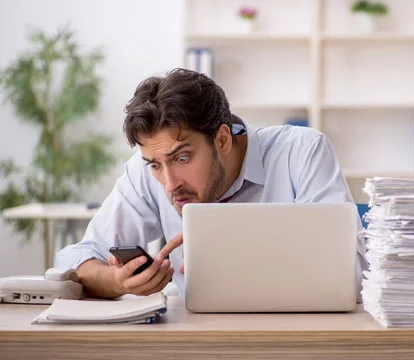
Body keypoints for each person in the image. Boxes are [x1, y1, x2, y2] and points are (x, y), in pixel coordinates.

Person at [56, 68, 367, 300]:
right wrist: (117, 281)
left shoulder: (301, 152)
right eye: (155, 164)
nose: (169, 183)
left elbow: (352, 274)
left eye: (182, 158)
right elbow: (76, 259)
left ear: (221, 139)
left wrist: (241, 256)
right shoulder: (148, 171)